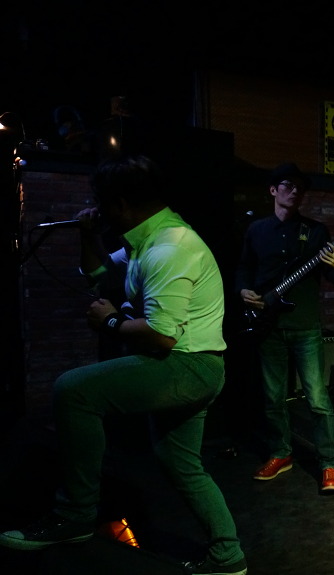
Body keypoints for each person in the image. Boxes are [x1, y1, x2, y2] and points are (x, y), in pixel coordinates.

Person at [0, 155, 247, 575]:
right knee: (180, 463)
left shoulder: (170, 247)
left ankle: (74, 516)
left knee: (73, 390)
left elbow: (162, 335)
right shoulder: (145, 239)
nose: (95, 209)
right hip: (193, 366)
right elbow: (97, 273)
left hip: (187, 367)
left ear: (120, 204)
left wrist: (111, 321)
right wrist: (87, 234)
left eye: (100, 203)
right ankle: (228, 555)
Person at [236, 162, 334, 493]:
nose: (294, 191)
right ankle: (280, 453)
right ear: (273, 190)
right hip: (267, 326)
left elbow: (333, 275)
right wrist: (242, 290)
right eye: (288, 185)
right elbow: (243, 268)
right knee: (273, 397)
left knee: (317, 397)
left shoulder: (316, 231)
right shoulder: (256, 230)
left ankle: (330, 462)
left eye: (300, 187)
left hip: (304, 325)